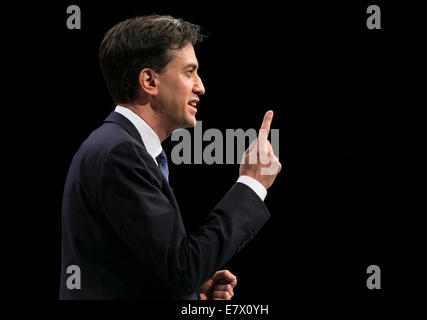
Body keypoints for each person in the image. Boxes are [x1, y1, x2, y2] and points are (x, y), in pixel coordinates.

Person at [59, 15, 281, 300]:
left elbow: (153, 268)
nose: (200, 86)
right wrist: (252, 184)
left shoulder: (120, 147)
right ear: (150, 81)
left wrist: (187, 292)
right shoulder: (119, 154)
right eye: (190, 72)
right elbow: (182, 269)